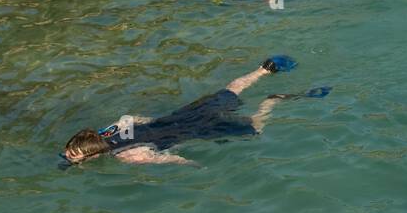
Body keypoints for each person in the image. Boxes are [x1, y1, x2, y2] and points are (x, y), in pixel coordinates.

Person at [60, 56, 328, 165]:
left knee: (255, 128)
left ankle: (272, 100)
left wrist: (194, 165)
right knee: (231, 90)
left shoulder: (127, 156)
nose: (67, 156)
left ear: (91, 154)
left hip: (194, 128)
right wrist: (155, 124)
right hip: (180, 117)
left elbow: (166, 159)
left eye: (72, 155)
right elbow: (131, 118)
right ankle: (262, 70)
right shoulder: (109, 131)